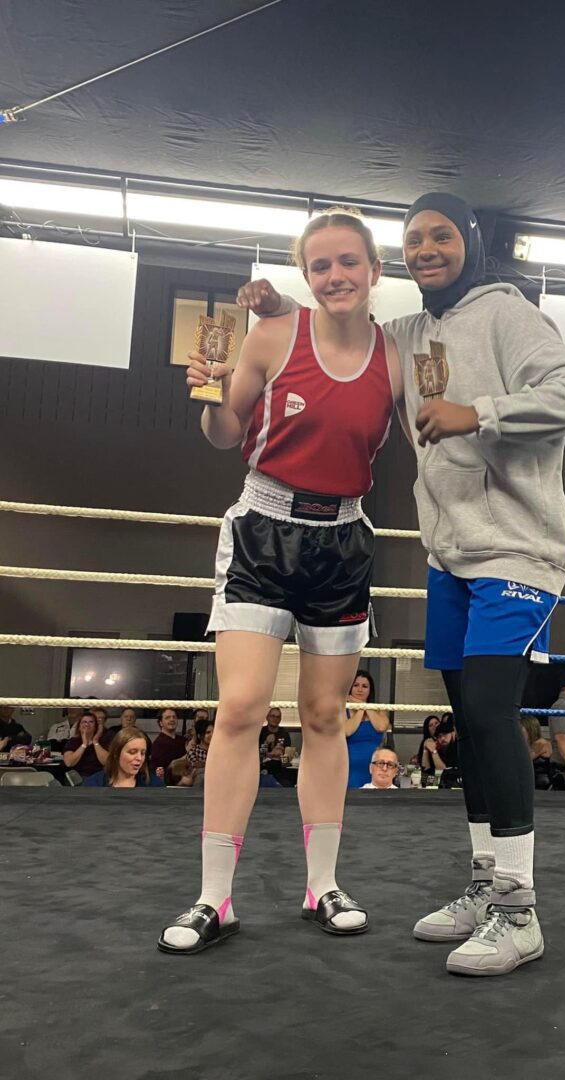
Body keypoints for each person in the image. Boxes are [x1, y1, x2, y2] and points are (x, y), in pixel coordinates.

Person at [242, 191, 565, 977]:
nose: (426, 248)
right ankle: (484, 885)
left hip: (518, 552)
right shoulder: (404, 333)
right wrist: (280, 309)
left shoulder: (507, 313)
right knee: (465, 722)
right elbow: (343, 329)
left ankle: (518, 909)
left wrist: (482, 412)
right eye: (413, 240)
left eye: (441, 235)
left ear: (468, 240)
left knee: (487, 707)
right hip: (450, 557)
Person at [158, 209, 401, 955]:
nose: (335, 276)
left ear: (372, 271)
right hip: (262, 527)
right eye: (320, 265)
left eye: (347, 262)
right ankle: (213, 898)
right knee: (238, 708)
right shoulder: (270, 335)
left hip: (344, 538)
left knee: (327, 715)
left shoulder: (397, 356)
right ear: (307, 274)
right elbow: (227, 434)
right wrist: (209, 394)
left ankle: (321, 882)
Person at [345, 669, 390, 789]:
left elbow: (381, 727)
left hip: (377, 769)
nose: (360, 689)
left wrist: (363, 705)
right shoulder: (342, 710)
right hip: (350, 768)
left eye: (365, 686)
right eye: (356, 685)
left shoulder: (379, 708)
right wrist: (360, 708)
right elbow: (347, 731)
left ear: (370, 690)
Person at [83, 728, 165, 788]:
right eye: (132, 752)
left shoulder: (155, 786)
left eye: (143, 753)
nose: (139, 758)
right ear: (116, 753)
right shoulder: (93, 784)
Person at [63, 711, 109, 779]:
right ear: (79, 726)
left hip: (100, 777)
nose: (87, 724)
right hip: (80, 778)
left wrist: (95, 742)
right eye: (84, 722)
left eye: (91, 722)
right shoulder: (73, 742)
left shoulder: (103, 741)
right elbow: (69, 763)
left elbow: (107, 762)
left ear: (95, 726)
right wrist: (84, 744)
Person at [151, 708, 187, 774]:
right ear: (161, 723)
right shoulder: (158, 745)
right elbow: (159, 771)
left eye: (174, 717)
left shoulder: (183, 740)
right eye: (167, 717)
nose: (172, 719)